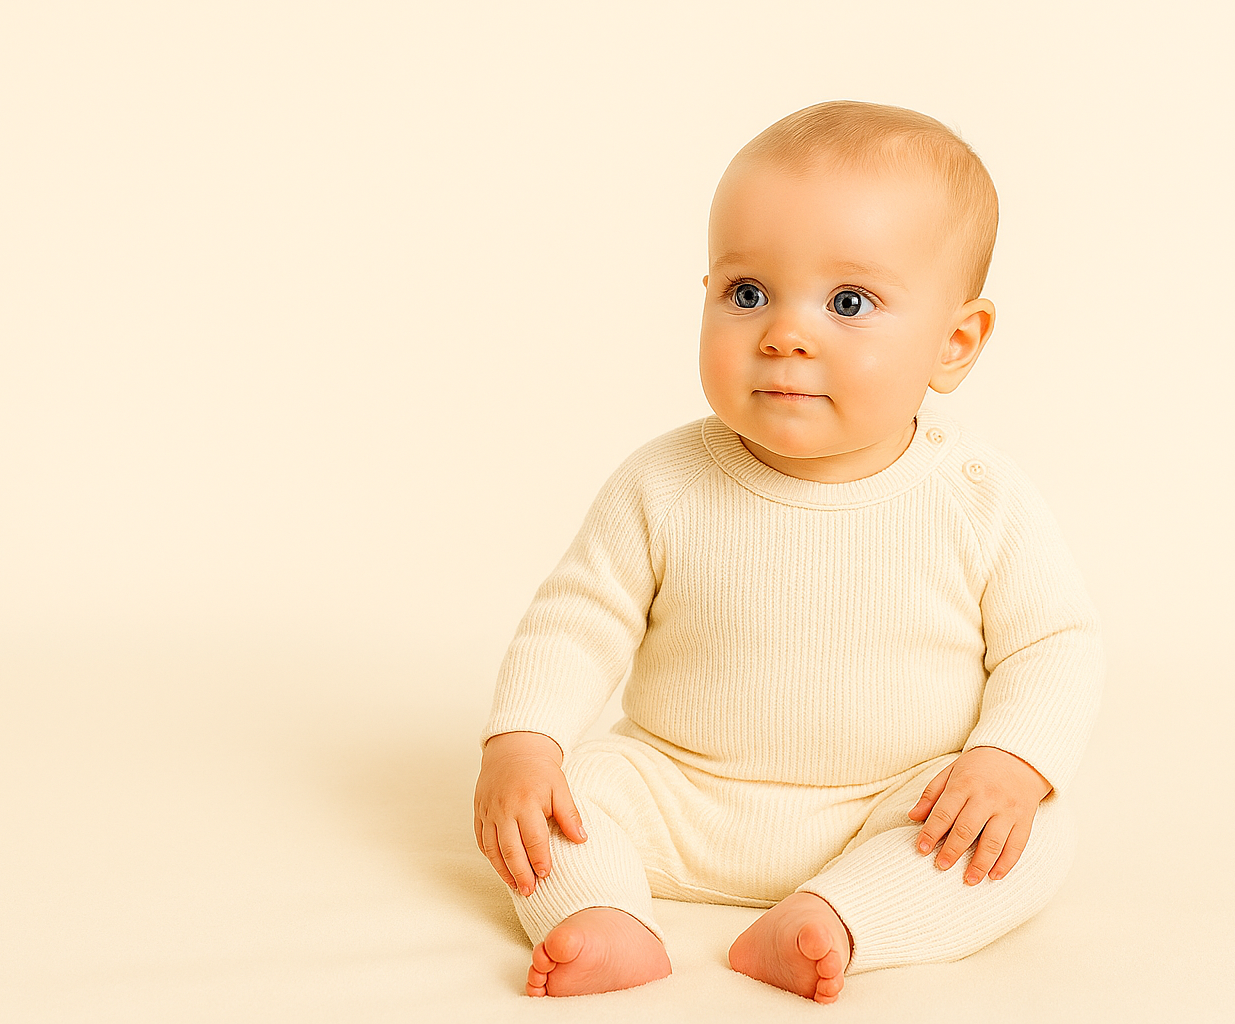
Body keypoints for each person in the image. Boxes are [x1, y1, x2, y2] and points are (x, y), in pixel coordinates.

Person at [471, 99, 1106, 1004]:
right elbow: (577, 621)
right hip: (678, 791)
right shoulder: (664, 481)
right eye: (747, 293)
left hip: (896, 803)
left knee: (1034, 831)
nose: (784, 332)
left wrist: (1007, 762)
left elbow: (1054, 645)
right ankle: (604, 912)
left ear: (955, 343)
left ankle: (842, 917)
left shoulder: (976, 496)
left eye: (849, 302)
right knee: (536, 801)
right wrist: (524, 745)